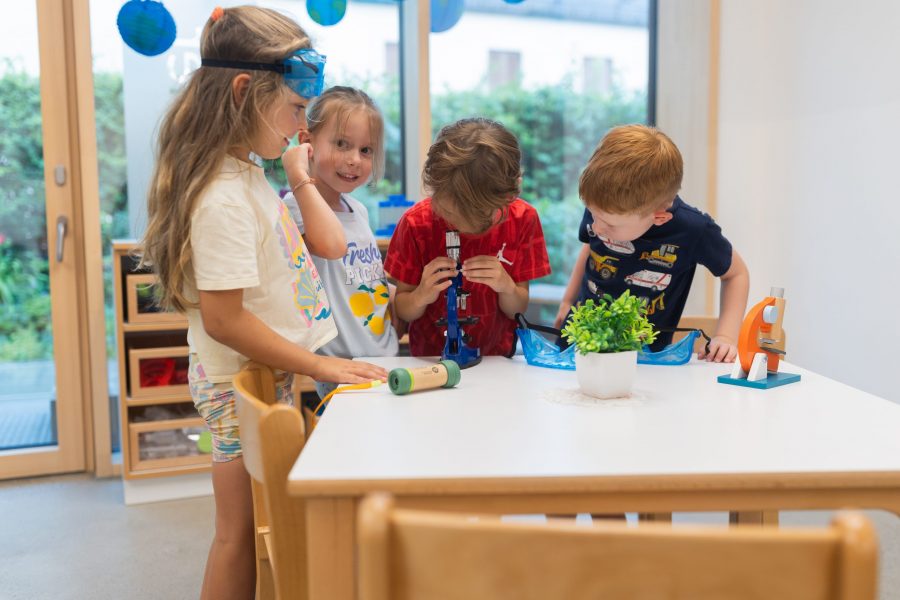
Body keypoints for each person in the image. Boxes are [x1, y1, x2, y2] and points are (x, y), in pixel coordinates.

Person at [140, 7, 386, 599]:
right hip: (234, 384)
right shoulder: (223, 195)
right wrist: (323, 366)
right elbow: (225, 319)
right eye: (298, 111)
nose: (301, 126)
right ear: (246, 93)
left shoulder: (247, 169)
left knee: (251, 531)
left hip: (257, 377)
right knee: (237, 535)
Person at [554, 124, 749, 362]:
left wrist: (726, 337)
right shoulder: (602, 209)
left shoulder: (693, 229)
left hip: (645, 359)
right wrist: (567, 300)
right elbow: (590, 248)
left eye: (609, 225)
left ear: (659, 217)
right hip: (578, 343)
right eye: (592, 215)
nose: (596, 227)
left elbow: (736, 274)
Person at [385, 117, 551, 357]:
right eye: (452, 212)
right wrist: (421, 294)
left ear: (511, 193)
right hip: (431, 361)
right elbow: (403, 309)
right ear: (436, 189)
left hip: (497, 362)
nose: (463, 226)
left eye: (479, 215)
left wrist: (506, 286)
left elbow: (517, 308)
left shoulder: (523, 219)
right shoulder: (416, 224)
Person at [282, 87, 399, 398]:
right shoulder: (297, 207)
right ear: (306, 142)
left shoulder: (357, 209)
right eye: (342, 144)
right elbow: (325, 246)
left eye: (366, 150)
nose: (353, 160)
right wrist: (299, 176)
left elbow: (361, 283)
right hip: (343, 369)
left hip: (383, 357)